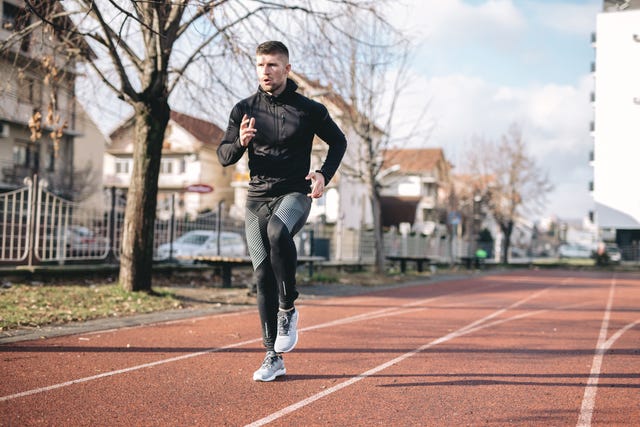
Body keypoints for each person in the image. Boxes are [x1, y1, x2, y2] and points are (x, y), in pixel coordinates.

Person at [217, 41, 347, 382]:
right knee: (261, 277)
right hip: (255, 199)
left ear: (287, 69)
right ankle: (272, 356)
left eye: (272, 65)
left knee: (278, 231)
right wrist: (241, 143)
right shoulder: (243, 109)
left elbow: (339, 141)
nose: (265, 71)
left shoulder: (309, 109)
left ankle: (288, 307)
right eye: (260, 65)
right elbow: (223, 155)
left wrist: (323, 174)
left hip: (295, 194)